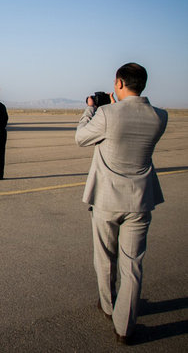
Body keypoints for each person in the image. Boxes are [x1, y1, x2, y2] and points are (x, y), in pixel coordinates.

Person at [75, 63, 167, 344]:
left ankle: (107, 305)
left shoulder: (105, 113)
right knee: (133, 264)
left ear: (118, 83)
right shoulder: (160, 117)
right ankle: (125, 327)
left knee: (105, 258)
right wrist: (113, 107)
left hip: (106, 200)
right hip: (140, 201)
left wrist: (91, 108)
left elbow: (81, 138)